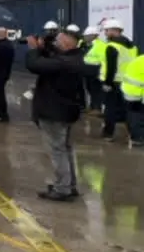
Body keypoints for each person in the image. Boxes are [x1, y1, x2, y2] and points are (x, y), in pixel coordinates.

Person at [25, 32, 96, 201]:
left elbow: (34, 65)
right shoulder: (76, 58)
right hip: (67, 111)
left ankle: (62, 187)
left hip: (54, 112)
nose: (55, 44)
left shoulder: (63, 63)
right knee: (65, 149)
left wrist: (34, 49)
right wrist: (43, 48)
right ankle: (69, 184)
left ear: (66, 43)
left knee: (57, 150)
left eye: (58, 41)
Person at [98, 19, 137, 142]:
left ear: (115, 30)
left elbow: (111, 67)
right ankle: (136, 136)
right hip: (127, 82)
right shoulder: (132, 46)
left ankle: (108, 134)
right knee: (128, 110)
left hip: (114, 82)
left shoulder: (112, 46)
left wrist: (107, 83)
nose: (105, 33)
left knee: (110, 109)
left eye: (107, 30)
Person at [81, 25, 105, 114]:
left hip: (96, 70)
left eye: (86, 36)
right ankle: (92, 106)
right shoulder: (85, 44)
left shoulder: (101, 45)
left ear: (94, 35)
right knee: (89, 89)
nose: (85, 37)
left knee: (96, 90)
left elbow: (103, 60)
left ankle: (97, 108)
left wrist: (101, 73)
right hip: (87, 71)